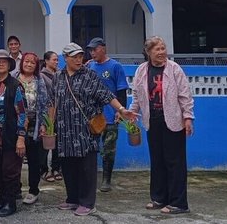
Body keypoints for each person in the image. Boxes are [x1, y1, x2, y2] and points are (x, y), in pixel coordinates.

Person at [54, 43, 135, 217]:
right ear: (65, 58)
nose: (78, 60)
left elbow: (106, 95)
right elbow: (53, 102)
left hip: (85, 130)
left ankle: (87, 202)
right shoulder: (58, 77)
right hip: (64, 129)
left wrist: (121, 109)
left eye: (80, 56)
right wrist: (49, 126)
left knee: (86, 167)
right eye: (74, 56)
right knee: (68, 166)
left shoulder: (89, 75)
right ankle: (73, 199)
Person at [129, 36, 194, 215]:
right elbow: (137, 95)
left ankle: (179, 203)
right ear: (148, 52)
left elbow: (185, 95)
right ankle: (159, 198)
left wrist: (188, 117)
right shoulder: (142, 70)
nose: (161, 52)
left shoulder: (174, 69)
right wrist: (132, 112)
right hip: (153, 120)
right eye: (157, 49)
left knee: (175, 162)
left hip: (173, 120)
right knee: (157, 160)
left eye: (163, 48)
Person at [0, 49, 27, 217]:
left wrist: (21, 137)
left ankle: (11, 203)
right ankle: (2, 199)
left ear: (9, 64)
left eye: (4, 61)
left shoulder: (15, 86)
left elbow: (22, 113)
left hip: (10, 136)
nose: (1, 63)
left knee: (10, 171)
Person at [86, 37, 129, 192]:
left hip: (110, 115)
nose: (92, 53)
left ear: (103, 48)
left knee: (108, 149)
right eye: (90, 50)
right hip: (93, 116)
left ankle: (106, 179)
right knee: (91, 148)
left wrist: (120, 111)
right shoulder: (89, 66)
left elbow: (122, 90)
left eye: (94, 49)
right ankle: (90, 178)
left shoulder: (115, 66)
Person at [14, 52, 49, 205]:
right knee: (15, 159)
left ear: (36, 66)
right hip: (16, 124)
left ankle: (33, 190)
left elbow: (44, 103)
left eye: (32, 63)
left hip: (34, 125)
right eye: (26, 62)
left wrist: (43, 124)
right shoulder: (14, 79)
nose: (28, 64)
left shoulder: (39, 81)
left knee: (34, 160)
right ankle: (15, 189)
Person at [40, 51, 61, 182]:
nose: (56, 62)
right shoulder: (41, 76)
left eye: (57, 60)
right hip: (47, 113)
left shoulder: (59, 75)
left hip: (60, 112)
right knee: (46, 142)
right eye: (54, 60)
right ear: (46, 61)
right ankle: (44, 169)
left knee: (58, 142)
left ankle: (56, 168)